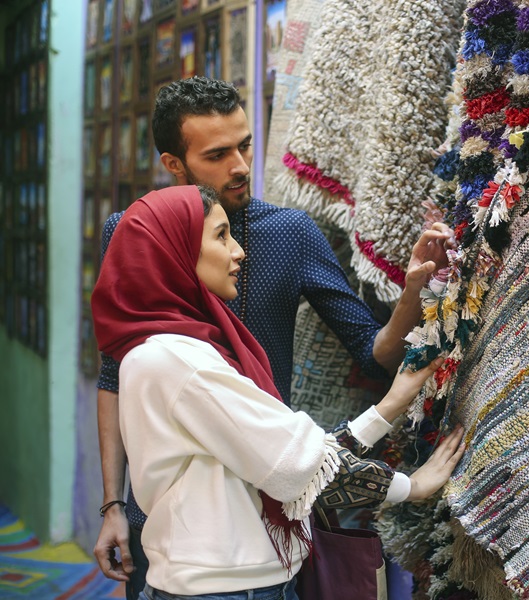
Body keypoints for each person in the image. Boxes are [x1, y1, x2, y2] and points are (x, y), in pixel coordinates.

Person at [93, 76, 455, 596]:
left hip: (271, 505)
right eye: (218, 154)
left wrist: (411, 294)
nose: (240, 166)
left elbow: (371, 357)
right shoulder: (142, 242)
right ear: (174, 164)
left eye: (244, 145)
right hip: (189, 521)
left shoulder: (289, 232)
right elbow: (116, 375)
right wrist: (111, 505)